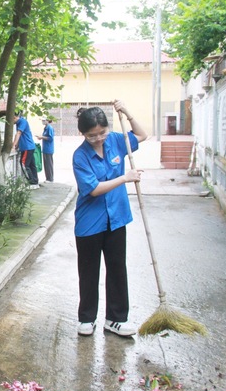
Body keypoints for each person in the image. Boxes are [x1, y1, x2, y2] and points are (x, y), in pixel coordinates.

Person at [72, 100, 148, 337]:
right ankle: (87, 319)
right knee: (89, 271)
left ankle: (115, 319)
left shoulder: (116, 140)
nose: (98, 138)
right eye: (91, 135)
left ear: (108, 128)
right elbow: (93, 189)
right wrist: (125, 178)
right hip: (89, 223)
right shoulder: (80, 156)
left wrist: (128, 112)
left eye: (101, 133)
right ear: (83, 134)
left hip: (116, 218)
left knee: (117, 268)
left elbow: (142, 135)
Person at [13, 111, 39, 189]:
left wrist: (13, 145)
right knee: (31, 165)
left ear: (14, 117)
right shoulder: (20, 123)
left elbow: (18, 134)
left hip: (27, 147)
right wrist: (16, 145)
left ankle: (31, 182)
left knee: (24, 164)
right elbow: (20, 136)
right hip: (29, 146)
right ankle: (35, 181)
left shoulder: (22, 122)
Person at [35, 118, 55, 183]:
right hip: (45, 148)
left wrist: (42, 137)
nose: (43, 122)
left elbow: (50, 138)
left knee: (49, 164)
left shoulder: (49, 128)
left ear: (47, 120)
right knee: (46, 164)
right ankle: (48, 178)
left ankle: (50, 178)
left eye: (44, 120)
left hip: (49, 149)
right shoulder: (46, 128)